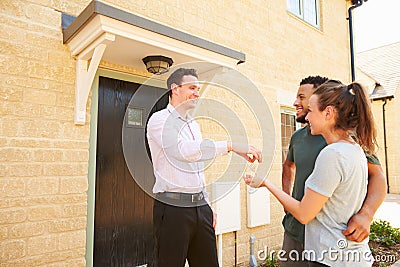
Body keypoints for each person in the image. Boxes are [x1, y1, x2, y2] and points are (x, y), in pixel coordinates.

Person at [245, 80, 383, 266]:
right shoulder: (354, 149)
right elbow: (288, 167)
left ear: (328, 112)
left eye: (310, 109)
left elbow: (304, 213)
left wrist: (266, 183)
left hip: (331, 257)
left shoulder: (332, 153)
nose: (307, 117)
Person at [146, 67, 262, 267]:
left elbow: (197, 168)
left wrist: (206, 204)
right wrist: (230, 145)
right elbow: (183, 151)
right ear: (175, 88)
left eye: (198, 89)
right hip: (173, 209)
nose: (197, 93)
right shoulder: (159, 120)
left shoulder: (193, 125)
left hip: (200, 207)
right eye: (192, 88)